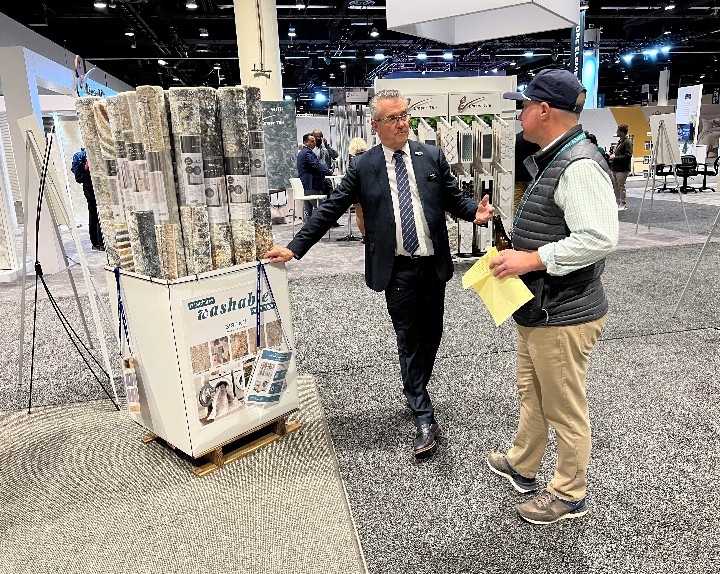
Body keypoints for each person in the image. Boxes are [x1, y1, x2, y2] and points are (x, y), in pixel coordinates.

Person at [265, 89, 493, 457]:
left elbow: (453, 199)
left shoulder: (430, 155)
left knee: (431, 335)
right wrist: (294, 247)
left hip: (433, 264)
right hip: (397, 270)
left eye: (404, 116)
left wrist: (475, 212)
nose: (402, 123)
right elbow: (330, 208)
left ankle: (415, 389)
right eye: (393, 118)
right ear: (375, 125)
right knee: (409, 338)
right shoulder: (364, 166)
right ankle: (422, 412)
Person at [488, 69, 618, 524]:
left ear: (543, 110)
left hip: (563, 311)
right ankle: (524, 464)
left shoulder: (578, 164)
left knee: (563, 405)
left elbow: (599, 238)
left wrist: (531, 260)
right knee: (534, 391)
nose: (519, 115)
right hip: (540, 309)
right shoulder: (555, 158)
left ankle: (568, 493)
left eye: (523, 106)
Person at [71, 148, 104, 251]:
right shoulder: (92, 154)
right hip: (95, 187)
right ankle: (102, 243)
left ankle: (95, 244)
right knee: (100, 214)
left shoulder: (80, 156)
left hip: (87, 188)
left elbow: (73, 170)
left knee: (92, 215)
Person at [296, 133, 333, 219]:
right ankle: (318, 228)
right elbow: (317, 166)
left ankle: (307, 230)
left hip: (305, 185)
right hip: (311, 184)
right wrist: (329, 172)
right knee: (321, 209)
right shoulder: (307, 154)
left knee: (308, 211)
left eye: (314, 141)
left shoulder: (303, 153)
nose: (314, 143)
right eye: (312, 141)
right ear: (305, 142)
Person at [514, 131, 541, 214]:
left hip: (518, 177)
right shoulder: (540, 140)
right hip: (532, 177)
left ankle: (515, 224)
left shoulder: (518, 139)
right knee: (535, 206)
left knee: (517, 207)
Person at [347, 137, 368, 238]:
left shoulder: (353, 160)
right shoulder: (371, 157)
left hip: (357, 190)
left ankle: (364, 235)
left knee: (359, 214)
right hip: (369, 189)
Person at [609, 123, 632, 210]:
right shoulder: (620, 142)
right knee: (616, 187)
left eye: (618, 131)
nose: (616, 132)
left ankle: (623, 203)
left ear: (622, 132)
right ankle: (618, 202)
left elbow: (628, 155)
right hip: (616, 167)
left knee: (621, 187)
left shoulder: (627, 142)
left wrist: (616, 157)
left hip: (622, 169)